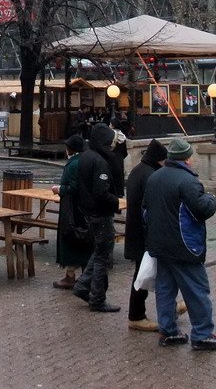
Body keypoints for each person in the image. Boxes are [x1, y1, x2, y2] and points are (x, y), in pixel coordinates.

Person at [143, 137, 216, 350]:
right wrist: (211, 200)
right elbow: (202, 210)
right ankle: (202, 334)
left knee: (165, 289)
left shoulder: (155, 177)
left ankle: (168, 331)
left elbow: (145, 212)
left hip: (159, 244)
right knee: (197, 290)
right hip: (184, 245)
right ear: (187, 159)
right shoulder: (188, 181)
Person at [71, 123, 123, 312]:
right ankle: (97, 298)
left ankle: (83, 285)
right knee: (103, 255)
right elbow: (101, 192)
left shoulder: (85, 157)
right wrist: (116, 202)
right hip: (100, 213)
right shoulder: (100, 161)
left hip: (89, 212)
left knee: (99, 252)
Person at [125, 138, 167, 332]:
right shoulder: (151, 175)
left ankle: (170, 306)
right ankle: (136, 315)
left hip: (134, 230)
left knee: (149, 273)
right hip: (144, 233)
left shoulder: (137, 171)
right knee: (143, 275)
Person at [50, 134, 92, 290]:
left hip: (72, 209)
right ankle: (80, 274)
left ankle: (70, 276)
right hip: (82, 209)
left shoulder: (74, 165)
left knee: (71, 238)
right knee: (82, 240)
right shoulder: (84, 161)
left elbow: (74, 187)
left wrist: (60, 189)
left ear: (70, 149)